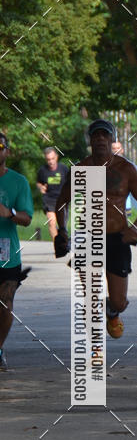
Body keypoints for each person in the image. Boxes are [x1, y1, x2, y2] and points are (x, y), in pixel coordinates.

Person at [54, 119, 137, 339]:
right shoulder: (80, 169)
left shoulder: (125, 169)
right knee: (90, 298)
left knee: (119, 301)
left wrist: (136, 226)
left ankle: (112, 310)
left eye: (104, 136)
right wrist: (62, 230)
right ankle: (93, 349)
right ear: (90, 140)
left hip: (118, 238)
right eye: (96, 136)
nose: (100, 139)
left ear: (112, 139)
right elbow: (62, 202)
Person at [0, 132, 34, 371]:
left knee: (5, 304)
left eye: (0, 147)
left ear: (7, 152)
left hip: (6, 254)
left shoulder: (18, 182)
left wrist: (9, 214)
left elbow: (27, 218)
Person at [36, 146, 68, 239]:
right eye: (48, 159)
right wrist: (41, 187)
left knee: (62, 225)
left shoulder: (64, 169)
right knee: (51, 222)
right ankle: (57, 246)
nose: (50, 161)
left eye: (52, 159)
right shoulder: (42, 170)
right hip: (49, 199)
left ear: (56, 157)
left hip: (62, 199)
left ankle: (62, 240)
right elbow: (39, 182)